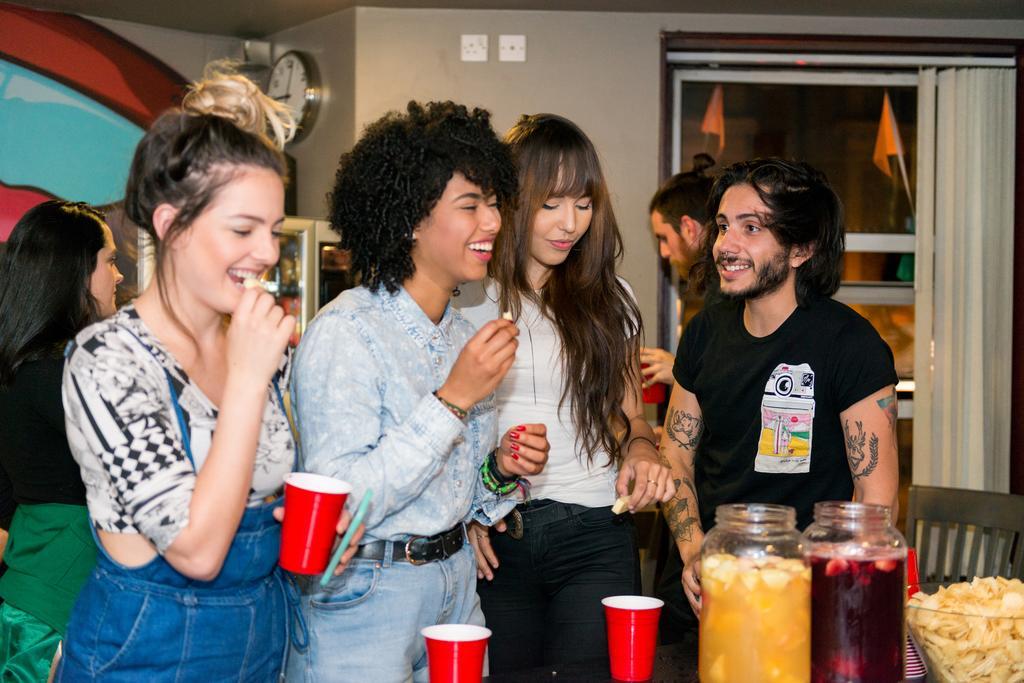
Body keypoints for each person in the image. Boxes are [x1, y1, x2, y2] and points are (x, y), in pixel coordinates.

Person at [57, 72, 360, 681]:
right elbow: (195, 549)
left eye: (273, 232)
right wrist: (248, 379)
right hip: (143, 653)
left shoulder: (257, 345)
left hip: (260, 645)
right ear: (170, 225)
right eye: (243, 230)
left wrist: (314, 540)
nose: (270, 254)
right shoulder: (107, 358)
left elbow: (262, 502)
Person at [286, 101, 548, 683]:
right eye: (470, 205)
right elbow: (339, 507)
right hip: (366, 598)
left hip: (456, 589)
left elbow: (458, 493)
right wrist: (452, 401)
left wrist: (501, 470)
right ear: (411, 218)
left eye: (496, 204)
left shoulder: (461, 334)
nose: (493, 223)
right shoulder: (347, 332)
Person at [456, 113, 676, 673]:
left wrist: (643, 449)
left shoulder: (612, 298)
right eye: (551, 203)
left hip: (595, 529)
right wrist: (470, 512)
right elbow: (447, 423)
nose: (570, 222)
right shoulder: (466, 297)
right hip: (499, 534)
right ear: (513, 200)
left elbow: (632, 417)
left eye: (583, 202)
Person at [658, 158, 899, 628]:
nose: (726, 245)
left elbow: (876, 492)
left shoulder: (851, 345)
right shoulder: (704, 331)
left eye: (751, 228)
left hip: (803, 598)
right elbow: (676, 456)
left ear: (801, 249)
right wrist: (694, 553)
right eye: (724, 226)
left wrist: (829, 587)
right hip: (704, 592)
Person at [0, 200, 122, 681]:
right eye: (109, 261)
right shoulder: (64, 372)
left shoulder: (18, 369)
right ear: (74, 272)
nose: (119, 276)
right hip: (66, 607)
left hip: (30, 597)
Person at [640, 153, 717, 392]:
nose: (663, 251)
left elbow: (735, 386)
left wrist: (679, 372)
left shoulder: (727, 294)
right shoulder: (710, 290)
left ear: (689, 228)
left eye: (663, 238)